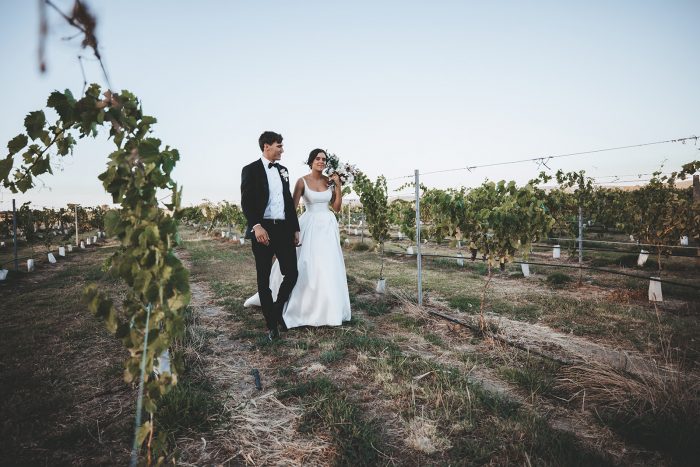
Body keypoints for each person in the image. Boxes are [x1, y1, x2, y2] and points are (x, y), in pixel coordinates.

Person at [244, 148, 352, 328]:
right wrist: (288, 232)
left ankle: (328, 307)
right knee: (307, 264)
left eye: (324, 159)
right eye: (317, 158)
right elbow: (290, 208)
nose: (321, 162)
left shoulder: (329, 182)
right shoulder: (301, 182)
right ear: (311, 162)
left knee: (328, 265)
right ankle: (302, 306)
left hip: (327, 226)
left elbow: (337, 207)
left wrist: (338, 187)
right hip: (309, 224)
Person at [241, 131, 301, 340]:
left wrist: (295, 228)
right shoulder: (250, 170)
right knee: (263, 276)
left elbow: (287, 202)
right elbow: (246, 202)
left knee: (292, 273)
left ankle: (276, 311)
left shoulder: (283, 170)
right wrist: (256, 226)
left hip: (283, 229)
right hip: (263, 228)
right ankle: (271, 324)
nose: (282, 149)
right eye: (279, 146)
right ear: (267, 146)